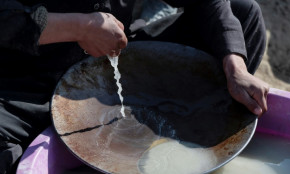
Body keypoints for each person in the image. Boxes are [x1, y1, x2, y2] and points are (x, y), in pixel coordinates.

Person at [0, 0, 269, 173]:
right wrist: (80, 27)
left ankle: (196, 145)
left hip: (115, 58)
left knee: (243, 15)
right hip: (29, 82)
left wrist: (235, 64)